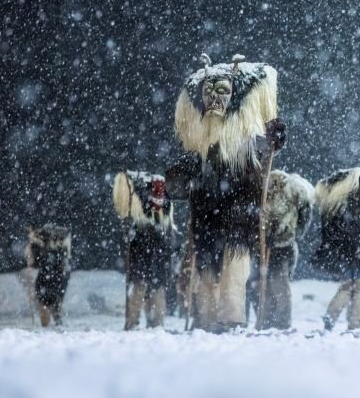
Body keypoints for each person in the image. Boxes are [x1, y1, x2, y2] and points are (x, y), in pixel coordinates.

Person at [166, 55, 286, 333]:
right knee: (207, 267)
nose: (214, 98)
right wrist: (180, 174)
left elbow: (265, 152)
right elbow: (179, 182)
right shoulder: (199, 142)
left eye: (222, 90)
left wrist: (274, 139)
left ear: (235, 96)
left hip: (239, 214)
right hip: (207, 214)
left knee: (235, 265)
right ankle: (207, 318)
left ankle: (230, 319)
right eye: (208, 91)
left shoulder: (245, 137)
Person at [312, 168, 360, 331]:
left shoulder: (339, 200)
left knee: (346, 286)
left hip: (345, 252)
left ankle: (331, 314)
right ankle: (355, 323)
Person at [248, 169, 314, 330]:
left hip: (283, 246)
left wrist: (280, 233)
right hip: (262, 247)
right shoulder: (262, 194)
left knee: (278, 284)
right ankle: (266, 319)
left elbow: (295, 218)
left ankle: (282, 321)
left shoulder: (288, 193)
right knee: (260, 284)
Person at [113, 170, 178, 330]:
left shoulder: (140, 200)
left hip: (144, 250)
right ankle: (154, 323)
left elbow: (131, 221)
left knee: (141, 286)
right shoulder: (165, 203)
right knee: (153, 287)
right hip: (156, 250)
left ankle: (135, 322)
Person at [25, 223, 72, 327]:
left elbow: (35, 254)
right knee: (50, 294)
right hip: (53, 272)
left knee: (50, 294)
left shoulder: (53, 244)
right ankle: (53, 313)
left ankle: (53, 313)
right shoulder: (52, 242)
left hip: (54, 272)